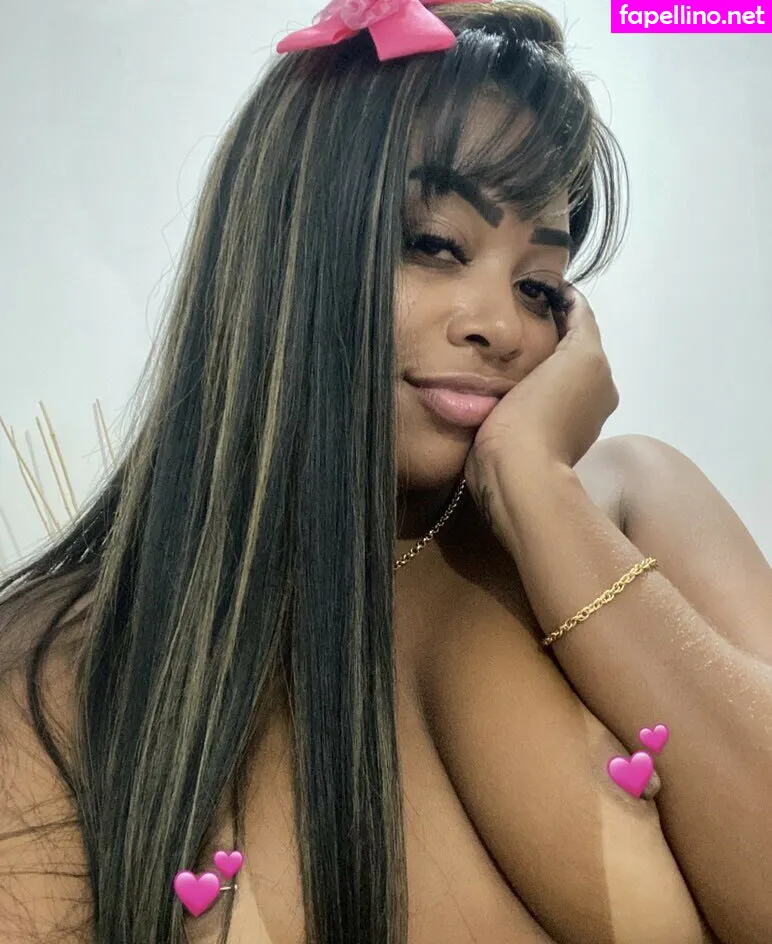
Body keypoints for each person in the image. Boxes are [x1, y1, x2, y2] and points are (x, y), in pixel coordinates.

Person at [1, 2, 770, 943]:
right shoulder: (66, 671)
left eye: (539, 287)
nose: (502, 325)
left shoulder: (636, 505)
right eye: (435, 244)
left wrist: (539, 494)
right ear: (286, 243)